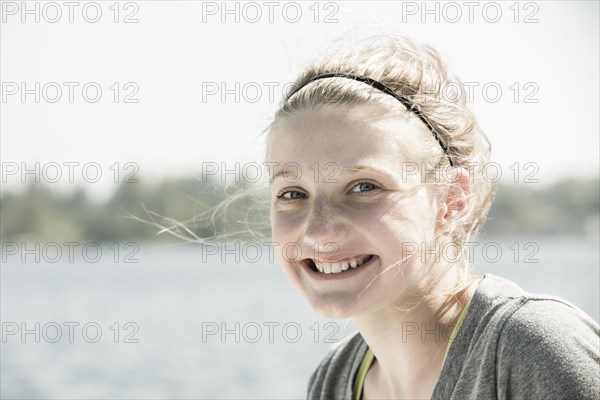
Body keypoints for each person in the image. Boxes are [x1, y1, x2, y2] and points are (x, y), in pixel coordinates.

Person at [265, 35, 600, 399]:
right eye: (292, 194)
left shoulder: (530, 349)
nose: (320, 232)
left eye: (364, 187)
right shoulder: (333, 380)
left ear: (452, 201)